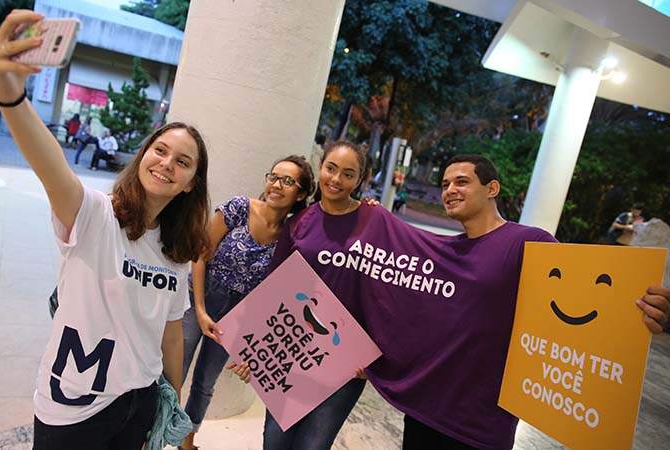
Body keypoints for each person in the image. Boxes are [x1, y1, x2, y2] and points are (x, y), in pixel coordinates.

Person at [266, 149, 670, 450]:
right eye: (444, 184)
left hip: (480, 424)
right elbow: (392, 293)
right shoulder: (443, 251)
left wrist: (647, 310)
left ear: (491, 188)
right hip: (425, 413)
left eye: (461, 181)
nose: (450, 190)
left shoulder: (527, 243)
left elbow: (582, 300)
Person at [0, 10, 210, 450]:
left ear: (189, 186)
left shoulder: (176, 251)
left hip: (139, 402)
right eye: (160, 150)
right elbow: (51, 166)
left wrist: (176, 410)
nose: (166, 163)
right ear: (143, 154)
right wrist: (9, 93)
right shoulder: (93, 214)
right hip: (73, 403)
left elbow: (169, 333)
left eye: (182, 162)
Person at [178, 155, 315, 450]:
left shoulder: (293, 234)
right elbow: (200, 255)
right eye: (273, 176)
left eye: (288, 181)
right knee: (175, 371)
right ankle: (151, 435)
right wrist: (200, 310)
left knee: (205, 383)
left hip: (240, 315)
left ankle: (187, 442)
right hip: (200, 297)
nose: (276, 184)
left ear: (301, 194)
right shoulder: (239, 207)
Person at [263, 140, 375, 449]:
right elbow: (275, 288)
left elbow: (387, 291)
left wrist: (375, 352)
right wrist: (254, 348)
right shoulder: (298, 223)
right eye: (331, 169)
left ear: (360, 180)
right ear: (321, 167)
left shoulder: (375, 223)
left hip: (345, 361)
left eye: (348, 174)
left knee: (313, 446)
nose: (337, 180)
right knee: (275, 442)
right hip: (294, 351)